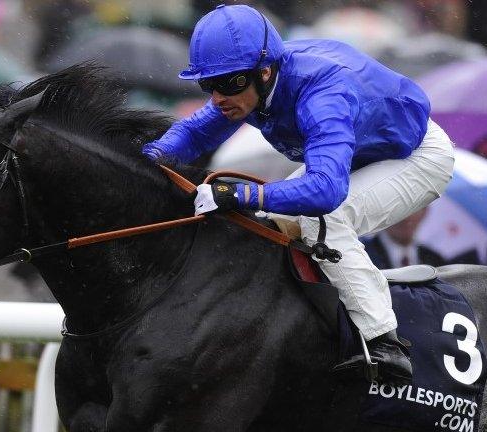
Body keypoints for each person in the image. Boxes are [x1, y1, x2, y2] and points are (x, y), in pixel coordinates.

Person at [142, 4, 455, 384]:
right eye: (210, 86)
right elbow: (192, 133)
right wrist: (146, 159)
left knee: (320, 217)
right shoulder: (250, 84)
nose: (219, 97)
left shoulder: (321, 95)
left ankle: (384, 342)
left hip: (416, 156)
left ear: (265, 72)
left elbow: (326, 191)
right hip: (357, 152)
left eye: (229, 84)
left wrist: (242, 196)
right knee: (271, 223)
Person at [362, 208, 446, 270]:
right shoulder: (362, 257)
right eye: (397, 208)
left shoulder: (436, 261)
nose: (406, 218)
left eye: (414, 207)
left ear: (425, 212)